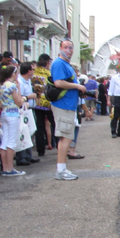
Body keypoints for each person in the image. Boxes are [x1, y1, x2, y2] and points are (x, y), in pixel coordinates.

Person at [49, 39, 86, 180]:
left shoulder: (65, 64)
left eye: (71, 47)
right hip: (63, 105)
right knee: (65, 137)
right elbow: (58, 83)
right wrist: (77, 86)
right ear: (60, 48)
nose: (69, 50)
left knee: (67, 137)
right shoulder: (59, 63)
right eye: (66, 47)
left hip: (68, 105)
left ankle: (62, 168)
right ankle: (61, 170)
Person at [0, 65, 26, 177]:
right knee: (11, 141)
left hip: (4, 112)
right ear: (13, 74)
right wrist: (22, 97)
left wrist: (5, 105)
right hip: (13, 113)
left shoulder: (2, 86)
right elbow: (18, 102)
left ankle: (5, 168)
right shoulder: (13, 86)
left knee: (5, 141)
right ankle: (10, 168)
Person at [15, 62, 39, 167]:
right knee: (23, 132)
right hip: (23, 110)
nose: (34, 71)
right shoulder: (20, 82)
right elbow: (20, 97)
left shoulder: (28, 81)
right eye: (33, 69)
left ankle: (28, 155)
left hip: (30, 109)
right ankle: (21, 156)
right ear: (29, 71)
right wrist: (30, 96)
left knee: (30, 131)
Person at [32, 54, 56, 156]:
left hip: (37, 101)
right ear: (47, 62)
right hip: (48, 102)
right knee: (54, 124)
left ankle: (40, 150)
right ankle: (59, 145)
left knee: (39, 127)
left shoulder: (34, 72)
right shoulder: (49, 73)